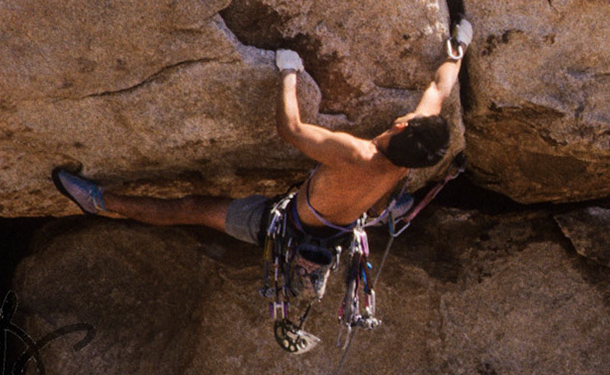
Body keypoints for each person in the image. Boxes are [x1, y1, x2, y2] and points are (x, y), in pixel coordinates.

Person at [53, 17, 472, 353]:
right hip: (339, 228)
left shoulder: (356, 153)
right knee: (378, 210)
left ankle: (100, 201)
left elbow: (290, 129)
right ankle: (355, 237)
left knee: (192, 207)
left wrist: (288, 72)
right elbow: (439, 87)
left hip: (279, 225)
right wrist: (459, 50)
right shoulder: (402, 165)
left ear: (401, 125)